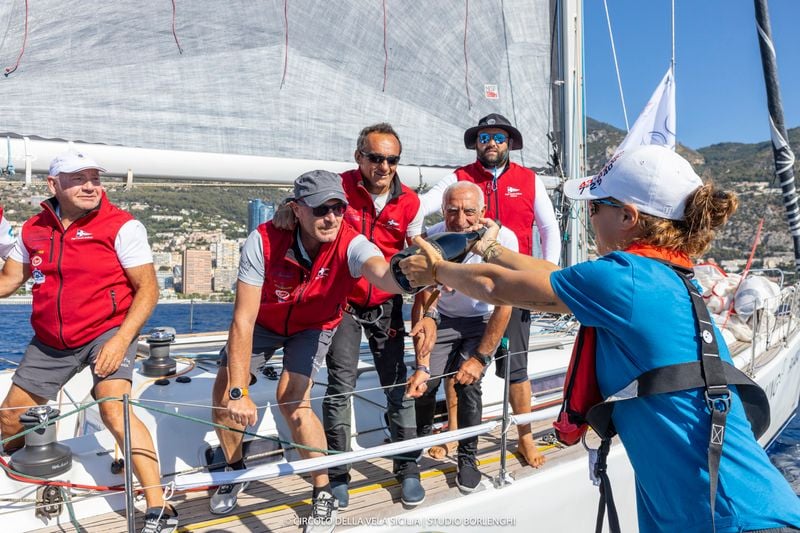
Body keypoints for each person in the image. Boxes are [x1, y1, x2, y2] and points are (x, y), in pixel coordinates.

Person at [400, 145, 800, 532]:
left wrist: (436, 272)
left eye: (594, 207)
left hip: (729, 520)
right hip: (730, 511)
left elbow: (494, 286)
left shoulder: (624, 279)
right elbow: (552, 275)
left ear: (627, 216)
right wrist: (489, 247)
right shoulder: (663, 277)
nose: (589, 217)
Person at [210, 170, 410, 531]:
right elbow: (243, 319)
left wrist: (409, 275)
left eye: (338, 208)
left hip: (314, 325)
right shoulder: (263, 240)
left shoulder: (351, 242)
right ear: (297, 209)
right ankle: (235, 469)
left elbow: (381, 272)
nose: (331, 217)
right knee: (224, 397)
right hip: (264, 323)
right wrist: (239, 391)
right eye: (320, 209)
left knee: (292, 401)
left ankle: (323, 490)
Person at [0, 152, 177, 533]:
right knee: (10, 418)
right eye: (79, 178)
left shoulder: (122, 226)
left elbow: (148, 290)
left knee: (113, 408)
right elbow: (9, 280)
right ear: (53, 184)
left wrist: (121, 340)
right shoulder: (33, 229)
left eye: (95, 178)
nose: (90, 186)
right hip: (51, 339)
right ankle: (18, 477)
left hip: (108, 330)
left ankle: (159, 506)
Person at [272, 124, 429, 508]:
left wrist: (427, 310)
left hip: (387, 305)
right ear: (359, 157)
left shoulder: (410, 203)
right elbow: (302, 202)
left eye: (392, 160)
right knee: (340, 387)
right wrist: (285, 210)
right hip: (342, 303)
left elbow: (418, 256)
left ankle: (408, 466)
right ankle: (338, 472)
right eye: (375, 158)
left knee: (397, 385)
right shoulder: (338, 189)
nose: (384, 167)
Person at [418, 113, 558, 467]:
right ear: (476, 144)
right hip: (468, 284)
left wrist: (547, 279)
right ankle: (454, 432)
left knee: (516, 369)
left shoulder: (529, 180)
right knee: (456, 368)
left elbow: (548, 229)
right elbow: (421, 208)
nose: (491, 143)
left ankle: (524, 437)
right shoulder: (459, 178)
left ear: (509, 142)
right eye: (484, 137)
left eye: (498, 137)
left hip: (515, 285)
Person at [405, 181, 516, 492]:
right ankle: (419, 442)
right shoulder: (432, 238)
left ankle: (468, 456)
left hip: (483, 318)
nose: (461, 219)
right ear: (442, 211)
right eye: (452, 211)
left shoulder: (503, 240)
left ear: (483, 211)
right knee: (426, 384)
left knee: (468, 385)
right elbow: (422, 298)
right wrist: (422, 364)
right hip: (443, 318)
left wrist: (480, 358)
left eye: (469, 211)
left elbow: (504, 306)